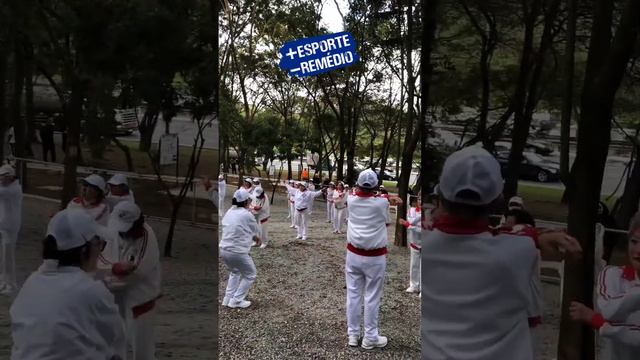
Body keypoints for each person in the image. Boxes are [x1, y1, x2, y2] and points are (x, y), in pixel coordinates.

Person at [421, 146, 582, 360]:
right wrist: (540, 236)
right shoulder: (519, 250)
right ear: (497, 201)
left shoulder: (424, 243)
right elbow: (517, 235)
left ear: (440, 197)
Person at [10, 209, 125, 360]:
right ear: (84, 250)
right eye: (99, 244)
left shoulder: (31, 283)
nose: (100, 251)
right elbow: (115, 337)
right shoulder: (91, 290)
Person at [569, 210, 640, 360]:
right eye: (634, 241)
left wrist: (597, 320)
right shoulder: (613, 275)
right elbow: (609, 311)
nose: (638, 251)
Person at [100, 202, 162, 360]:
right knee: (114, 348)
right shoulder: (112, 232)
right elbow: (100, 260)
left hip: (140, 303)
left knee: (142, 352)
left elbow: (137, 272)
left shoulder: (147, 238)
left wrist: (110, 279)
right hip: (115, 301)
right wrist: (113, 268)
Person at [344, 169, 391, 349]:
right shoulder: (381, 203)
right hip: (374, 257)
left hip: (353, 254)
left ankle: (353, 335)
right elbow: (386, 222)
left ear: (357, 185)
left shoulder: (351, 200)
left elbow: (363, 195)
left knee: (353, 294)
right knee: (372, 297)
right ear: (375, 187)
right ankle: (370, 337)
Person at [220, 189, 260, 309]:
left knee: (235, 271)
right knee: (250, 274)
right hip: (238, 251)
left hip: (224, 249)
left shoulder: (229, 212)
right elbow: (255, 230)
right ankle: (237, 300)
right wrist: (257, 238)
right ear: (246, 201)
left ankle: (227, 298)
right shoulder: (247, 214)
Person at [0, 165, 22, 295]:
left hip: (10, 227)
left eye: (3, 176)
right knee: (3, 256)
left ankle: (11, 284)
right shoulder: (6, 187)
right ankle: (3, 280)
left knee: (8, 257)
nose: (1, 179)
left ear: (10, 177)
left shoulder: (14, 189)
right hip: (4, 226)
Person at [400, 195, 422, 294]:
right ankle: (414, 285)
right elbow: (411, 222)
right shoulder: (412, 210)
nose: (421, 201)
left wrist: (410, 226)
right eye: (420, 199)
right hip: (414, 243)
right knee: (414, 265)